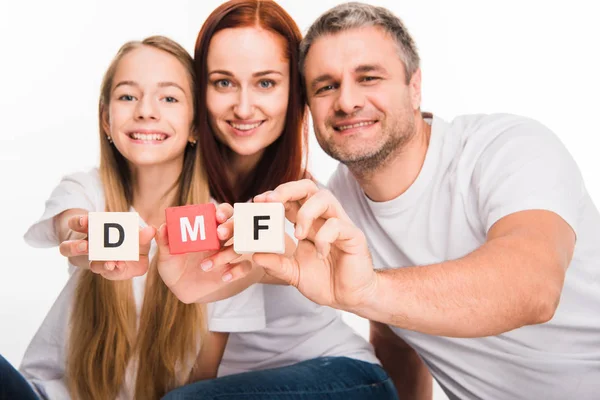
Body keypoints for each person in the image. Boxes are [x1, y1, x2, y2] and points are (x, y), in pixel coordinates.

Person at [247, 2, 600, 400]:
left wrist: (368, 290)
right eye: (326, 86)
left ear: (414, 87)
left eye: (369, 77)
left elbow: (534, 287)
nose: (346, 101)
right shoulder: (339, 202)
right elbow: (396, 335)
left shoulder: (508, 148)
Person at [160, 1, 397, 399]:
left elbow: (208, 343)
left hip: (341, 377)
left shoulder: (297, 202)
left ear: (295, 92)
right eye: (223, 82)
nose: (244, 107)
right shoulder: (183, 186)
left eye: (266, 83)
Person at [9, 35, 265, 400]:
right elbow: (72, 228)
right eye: (128, 96)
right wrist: (89, 243)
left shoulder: (223, 233)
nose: (146, 110)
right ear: (105, 119)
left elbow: (202, 383)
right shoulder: (85, 189)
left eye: (170, 98)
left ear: (195, 126)